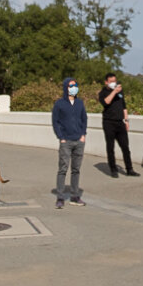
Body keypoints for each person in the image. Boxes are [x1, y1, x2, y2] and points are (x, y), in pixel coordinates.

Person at [52, 78, 89, 208]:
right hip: (66, 141)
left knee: (76, 169)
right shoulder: (59, 104)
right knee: (63, 169)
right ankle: (60, 197)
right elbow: (55, 122)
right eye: (71, 86)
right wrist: (61, 137)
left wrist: (83, 135)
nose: (74, 88)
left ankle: (75, 196)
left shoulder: (79, 103)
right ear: (66, 88)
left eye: (75, 85)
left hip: (78, 140)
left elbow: (84, 119)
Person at [100, 73, 137, 177]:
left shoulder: (120, 92)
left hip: (120, 122)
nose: (113, 83)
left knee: (125, 146)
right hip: (108, 122)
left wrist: (126, 120)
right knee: (110, 147)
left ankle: (129, 169)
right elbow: (105, 102)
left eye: (114, 81)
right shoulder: (103, 92)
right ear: (106, 82)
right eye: (111, 81)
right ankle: (113, 169)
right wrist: (114, 92)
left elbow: (123, 106)